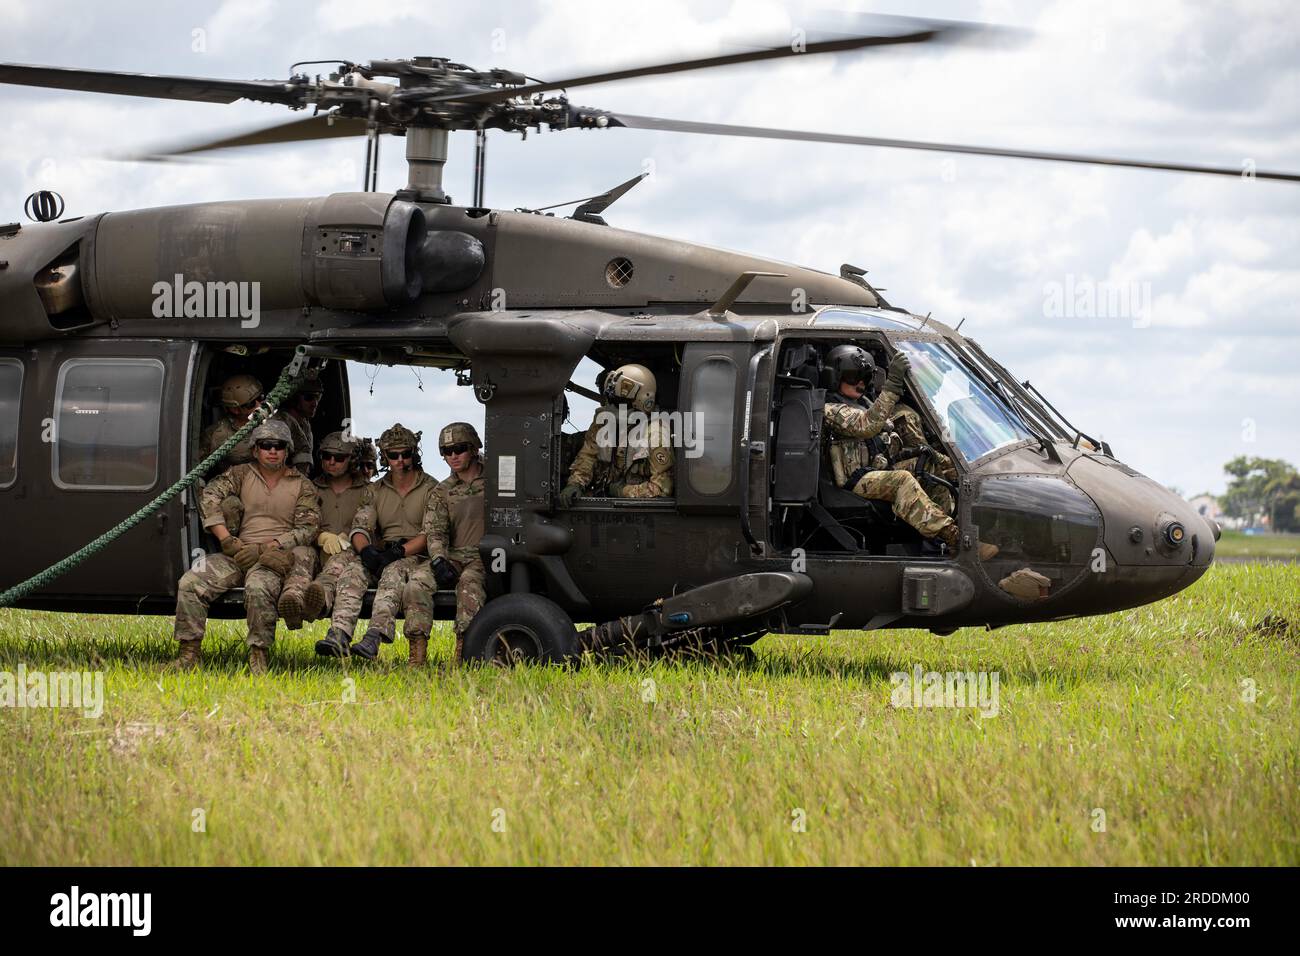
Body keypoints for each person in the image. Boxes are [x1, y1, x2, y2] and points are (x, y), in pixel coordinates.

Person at [173, 419, 320, 673]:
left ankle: (258, 657)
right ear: (255, 449)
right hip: (237, 553)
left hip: (273, 558)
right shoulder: (240, 474)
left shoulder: (302, 485)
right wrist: (225, 539)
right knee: (191, 583)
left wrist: (268, 547)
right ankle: (189, 654)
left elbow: (308, 528)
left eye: (278, 445)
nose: (272, 450)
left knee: (257, 588)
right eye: (265, 445)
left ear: (288, 450)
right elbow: (210, 496)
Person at [822, 345, 959, 550]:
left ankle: (951, 528)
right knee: (901, 480)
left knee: (929, 464)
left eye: (865, 377)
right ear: (835, 376)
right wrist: (893, 383)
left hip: (877, 469)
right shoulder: (831, 410)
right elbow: (867, 426)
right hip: (855, 478)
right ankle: (952, 536)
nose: (859, 383)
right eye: (852, 377)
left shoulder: (865, 403)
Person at [346, 423, 438, 661]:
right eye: (394, 455)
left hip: (417, 555)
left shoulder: (431, 488)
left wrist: (398, 553)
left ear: (413, 454)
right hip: (383, 550)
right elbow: (360, 525)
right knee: (352, 571)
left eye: (405, 454)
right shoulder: (375, 490)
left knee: (393, 571)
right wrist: (365, 550)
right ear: (385, 456)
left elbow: (431, 533)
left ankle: (375, 635)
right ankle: (339, 634)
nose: (400, 460)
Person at [269, 431, 371, 642]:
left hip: (348, 551)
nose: (331, 462)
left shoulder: (368, 491)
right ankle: (293, 601)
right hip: (315, 547)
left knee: (338, 562)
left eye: (339, 458)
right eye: (326, 456)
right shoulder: (310, 487)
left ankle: (319, 598)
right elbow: (298, 522)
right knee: (299, 556)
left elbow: (372, 525)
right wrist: (320, 536)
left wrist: (350, 536)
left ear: (351, 460)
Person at [411, 422, 486, 665]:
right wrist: (439, 559)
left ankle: (463, 655)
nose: (453, 456)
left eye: (459, 448)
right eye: (446, 451)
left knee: (469, 585)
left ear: (474, 448)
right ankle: (417, 656)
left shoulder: (497, 482)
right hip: (452, 556)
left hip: (483, 557)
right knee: (416, 584)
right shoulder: (441, 491)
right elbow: (436, 532)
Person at [559, 363, 674, 503]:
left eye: (621, 402)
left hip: (637, 508)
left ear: (644, 401)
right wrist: (575, 483)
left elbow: (662, 489)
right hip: (602, 499)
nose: (614, 407)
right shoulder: (604, 421)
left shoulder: (656, 433)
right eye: (614, 400)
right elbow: (588, 456)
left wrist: (622, 491)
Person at [199, 373, 266, 470]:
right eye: (251, 404)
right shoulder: (216, 434)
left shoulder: (281, 420)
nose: (259, 405)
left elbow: (296, 459)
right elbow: (195, 470)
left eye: (261, 397)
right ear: (235, 410)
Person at [281, 369, 323, 475]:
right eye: (309, 398)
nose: (315, 403)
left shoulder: (304, 423)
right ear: (294, 398)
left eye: (318, 397)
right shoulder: (281, 423)